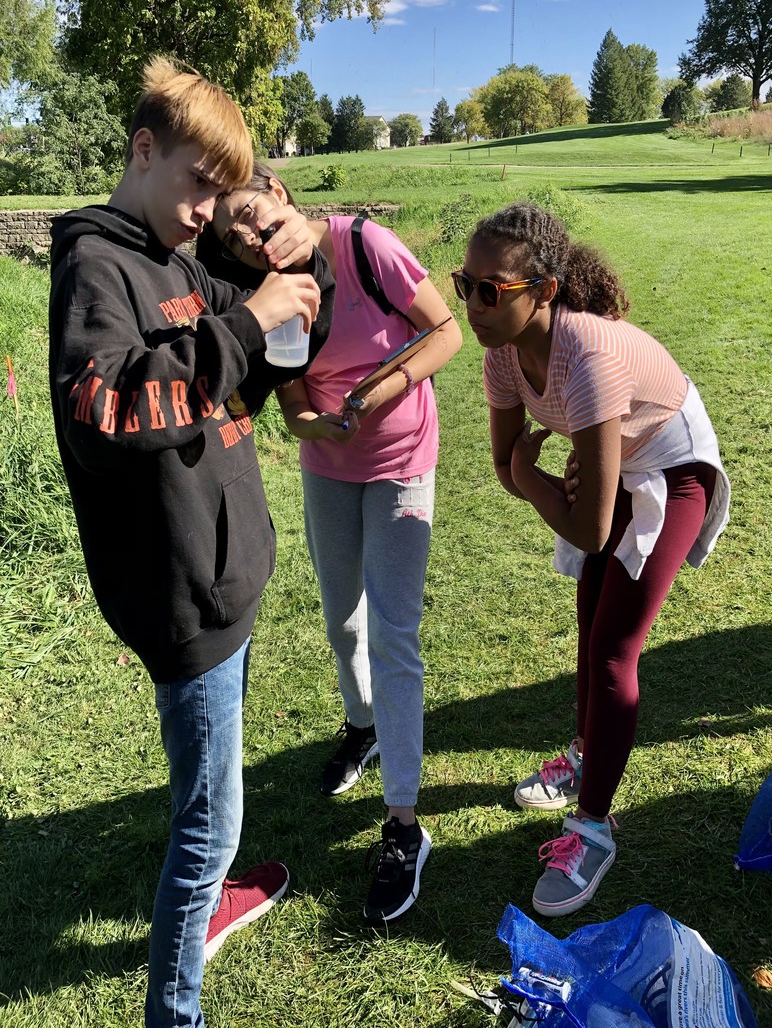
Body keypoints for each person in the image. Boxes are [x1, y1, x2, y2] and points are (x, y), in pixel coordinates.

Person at [48, 59, 327, 1028]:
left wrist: (306, 252)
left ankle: (212, 898)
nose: (210, 209)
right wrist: (245, 324)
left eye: (227, 191)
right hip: (180, 597)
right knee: (207, 822)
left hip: (223, 577)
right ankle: (176, 1012)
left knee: (218, 786)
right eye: (198, 183)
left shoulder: (176, 259)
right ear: (142, 150)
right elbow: (108, 406)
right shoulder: (100, 265)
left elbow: (252, 336)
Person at [200, 166, 462, 923]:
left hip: (400, 460)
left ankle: (404, 826)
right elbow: (288, 389)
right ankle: (363, 728)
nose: (254, 238)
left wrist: (381, 390)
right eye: (236, 238)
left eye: (254, 215)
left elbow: (446, 331)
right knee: (339, 616)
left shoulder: (363, 246)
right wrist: (308, 423)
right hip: (328, 465)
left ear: (278, 191)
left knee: (394, 633)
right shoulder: (272, 290)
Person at [455, 203, 730, 917]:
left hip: (673, 467)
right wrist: (531, 478)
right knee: (589, 623)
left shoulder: (590, 356)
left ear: (544, 291)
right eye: (466, 284)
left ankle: (595, 827)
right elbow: (503, 466)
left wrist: (532, 477)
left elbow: (585, 519)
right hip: (614, 468)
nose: (474, 306)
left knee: (613, 648)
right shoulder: (501, 357)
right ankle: (587, 751)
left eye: (493, 289)